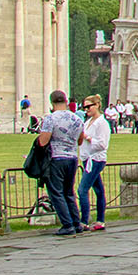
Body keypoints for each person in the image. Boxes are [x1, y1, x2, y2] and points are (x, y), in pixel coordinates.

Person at [35, 91, 85, 235]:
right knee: (69, 192)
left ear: (52, 103)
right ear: (66, 101)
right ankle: (77, 223)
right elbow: (80, 141)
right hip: (72, 158)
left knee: (56, 192)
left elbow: (43, 141)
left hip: (57, 158)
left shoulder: (50, 119)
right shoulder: (77, 119)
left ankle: (67, 224)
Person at [78, 95, 110, 231]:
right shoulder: (89, 121)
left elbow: (102, 144)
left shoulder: (102, 123)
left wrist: (88, 138)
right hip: (87, 158)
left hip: (96, 159)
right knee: (98, 190)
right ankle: (100, 220)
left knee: (82, 189)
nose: (86, 110)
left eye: (88, 106)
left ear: (97, 105)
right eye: (84, 107)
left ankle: (84, 221)